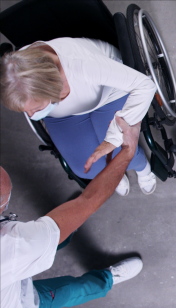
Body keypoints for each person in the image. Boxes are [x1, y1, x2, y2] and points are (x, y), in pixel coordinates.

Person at [0, 117, 144, 308]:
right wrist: (127, 151)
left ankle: (64, 230)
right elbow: (87, 202)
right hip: (17, 307)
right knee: (70, 291)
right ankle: (108, 278)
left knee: (50, 233)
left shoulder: (16, 245)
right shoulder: (14, 247)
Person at [0, 37, 157, 195]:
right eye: (25, 111)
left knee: (121, 153)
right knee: (83, 169)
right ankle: (115, 174)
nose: (32, 115)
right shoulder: (16, 74)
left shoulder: (82, 65)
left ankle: (142, 167)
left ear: (51, 88)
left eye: (36, 108)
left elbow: (145, 86)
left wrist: (113, 137)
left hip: (108, 95)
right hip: (64, 114)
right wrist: (38, 105)